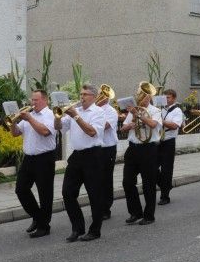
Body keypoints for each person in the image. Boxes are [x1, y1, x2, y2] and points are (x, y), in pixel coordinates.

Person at [57, 84, 107, 242]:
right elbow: (58, 128)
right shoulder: (74, 112)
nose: (82, 97)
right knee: (67, 192)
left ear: (93, 97)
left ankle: (95, 230)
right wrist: (57, 115)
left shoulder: (98, 112)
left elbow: (92, 132)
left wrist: (76, 116)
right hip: (77, 156)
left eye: (85, 94)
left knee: (95, 195)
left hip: (93, 155)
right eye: (81, 94)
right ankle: (77, 228)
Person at [10, 90, 58, 238]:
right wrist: (12, 122)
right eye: (32, 100)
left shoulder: (50, 115)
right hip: (29, 158)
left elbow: (45, 131)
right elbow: (16, 133)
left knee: (45, 194)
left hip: (45, 158)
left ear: (45, 100)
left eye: (36, 100)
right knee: (21, 189)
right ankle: (38, 217)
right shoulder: (29, 115)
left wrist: (29, 118)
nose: (33, 103)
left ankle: (44, 226)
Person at [121, 89, 161, 225]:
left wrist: (138, 115)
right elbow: (123, 128)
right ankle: (135, 212)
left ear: (149, 97)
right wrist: (131, 121)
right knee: (127, 182)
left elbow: (153, 124)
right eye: (140, 94)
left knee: (148, 184)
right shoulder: (134, 110)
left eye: (145, 95)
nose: (142, 97)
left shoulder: (155, 110)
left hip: (148, 149)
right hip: (133, 148)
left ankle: (149, 216)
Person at [95, 87, 119, 220]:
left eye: (102, 95)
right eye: (99, 94)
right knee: (95, 179)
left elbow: (104, 126)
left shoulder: (111, 111)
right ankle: (97, 206)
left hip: (107, 148)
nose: (99, 97)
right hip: (96, 149)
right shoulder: (93, 110)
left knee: (106, 179)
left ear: (107, 97)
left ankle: (106, 208)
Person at [157, 89, 183, 205]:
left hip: (169, 142)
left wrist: (160, 121)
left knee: (166, 169)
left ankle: (165, 196)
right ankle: (165, 185)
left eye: (168, 97)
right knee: (152, 167)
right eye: (165, 97)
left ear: (174, 98)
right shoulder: (161, 109)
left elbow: (175, 125)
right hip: (158, 141)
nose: (166, 99)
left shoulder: (177, 110)